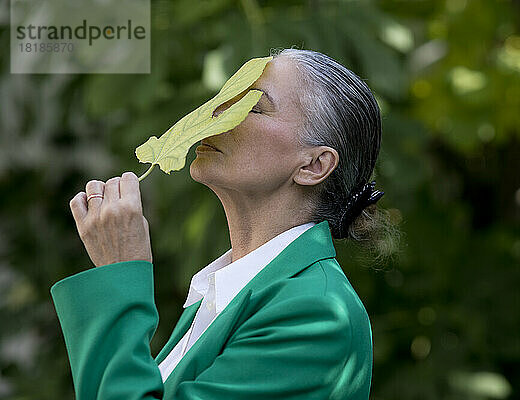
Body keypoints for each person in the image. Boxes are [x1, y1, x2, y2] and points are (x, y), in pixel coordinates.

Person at [50, 48, 396, 399]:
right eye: (230, 94)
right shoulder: (221, 298)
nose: (218, 112)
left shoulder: (317, 314)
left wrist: (120, 275)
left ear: (314, 166)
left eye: (254, 106)